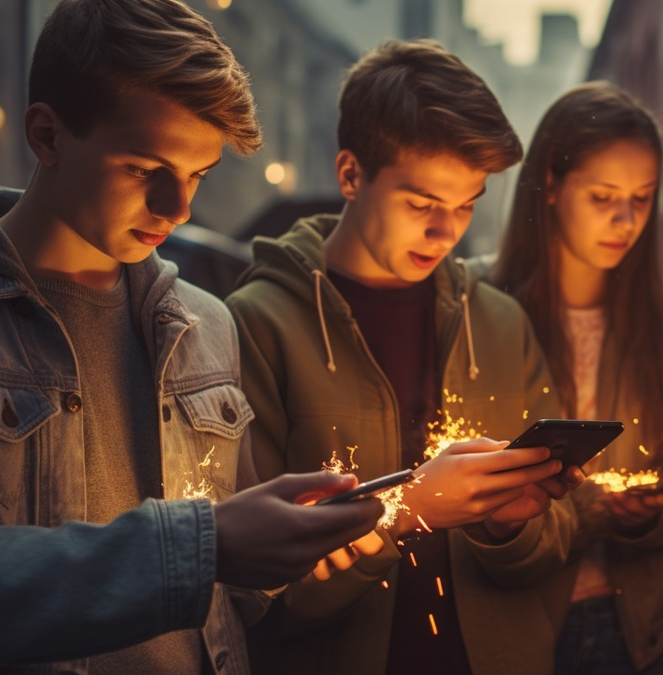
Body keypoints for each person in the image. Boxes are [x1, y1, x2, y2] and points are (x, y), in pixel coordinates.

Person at [0, 1, 383, 672]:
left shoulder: (208, 323)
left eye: (197, 176)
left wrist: (288, 547)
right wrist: (203, 545)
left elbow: (232, 591)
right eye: (142, 167)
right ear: (47, 134)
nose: (179, 208)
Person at [225, 39, 577, 675]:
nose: (447, 232)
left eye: (466, 205)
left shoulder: (500, 324)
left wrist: (507, 527)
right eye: (422, 204)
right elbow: (253, 595)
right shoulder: (257, 326)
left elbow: (556, 546)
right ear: (351, 174)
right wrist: (405, 515)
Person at [485, 81, 663, 675]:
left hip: (640, 633)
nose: (626, 219)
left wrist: (651, 514)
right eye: (604, 196)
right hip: (515, 627)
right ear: (552, 186)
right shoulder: (477, 305)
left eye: (643, 197)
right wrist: (592, 515)